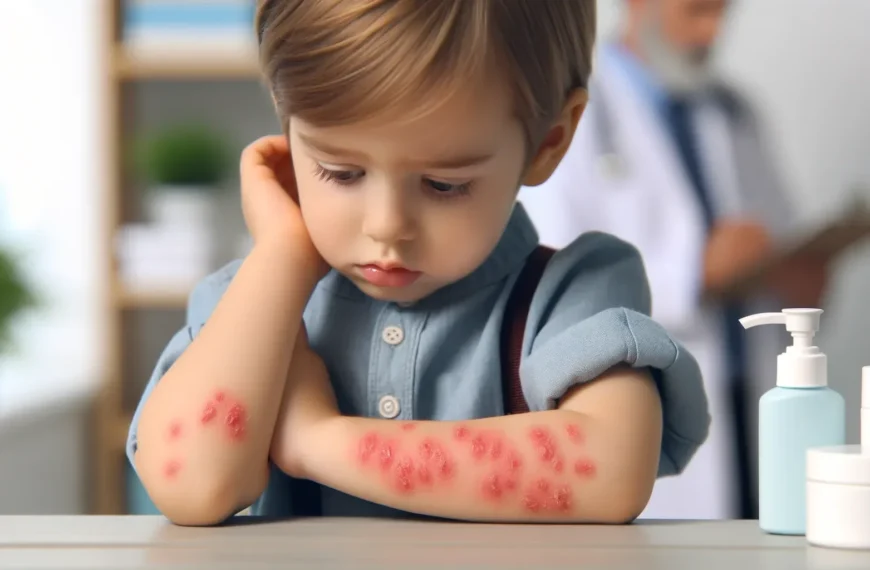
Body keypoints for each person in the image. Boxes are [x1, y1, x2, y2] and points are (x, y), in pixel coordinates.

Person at [126, 0, 709, 526]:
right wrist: (284, 253)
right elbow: (190, 485)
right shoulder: (251, 305)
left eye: (442, 184)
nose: (386, 225)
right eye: (340, 172)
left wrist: (316, 440)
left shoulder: (572, 292)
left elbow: (609, 474)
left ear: (548, 142)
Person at [519, 0, 828, 520]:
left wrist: (798, 282)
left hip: (750, 393)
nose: (713, 30)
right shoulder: (573, 114)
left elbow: (774, 244)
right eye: (698, 11)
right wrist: (695, 275)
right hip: (647, 402)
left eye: (723, 13)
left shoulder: (735, 114)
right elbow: (549, 289)